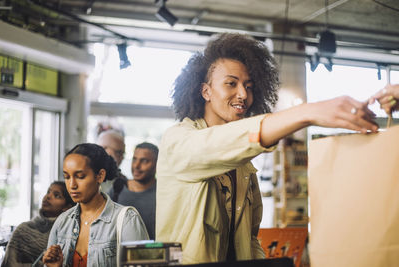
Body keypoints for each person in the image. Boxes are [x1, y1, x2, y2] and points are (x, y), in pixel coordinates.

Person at [156, 33, 378, 264]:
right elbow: (214, 145)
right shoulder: (177, 140)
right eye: (231, 83)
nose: (243, 94)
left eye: (249, 86)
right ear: (206, 91)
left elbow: (249, 239)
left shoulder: (243, 164)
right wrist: (307, 112)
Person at [43, 143, 148, 267]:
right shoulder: (62, 222)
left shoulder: (127, 220)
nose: (72, 185)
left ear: (100, 176)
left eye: (80, 176)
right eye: (67, 177)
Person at [1, 182, 74, 267]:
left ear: (67, 207)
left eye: (57, 195)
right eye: (48, 192)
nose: (48, 196)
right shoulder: (23, 229)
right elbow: (8, 264)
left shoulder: (67, 235)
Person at [109, 142, 158, 240]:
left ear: (157, 164)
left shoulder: (162, 193)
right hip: (120, 254)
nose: (136, 166)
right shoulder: (118, 188)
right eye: (134, 159)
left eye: (144, 161)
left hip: (153, 253)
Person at [96, 129, 127, 194]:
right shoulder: (85, 178)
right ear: (103, 150)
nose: (122, 158)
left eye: (123, 154)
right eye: (118, 152)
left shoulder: (123, 182)